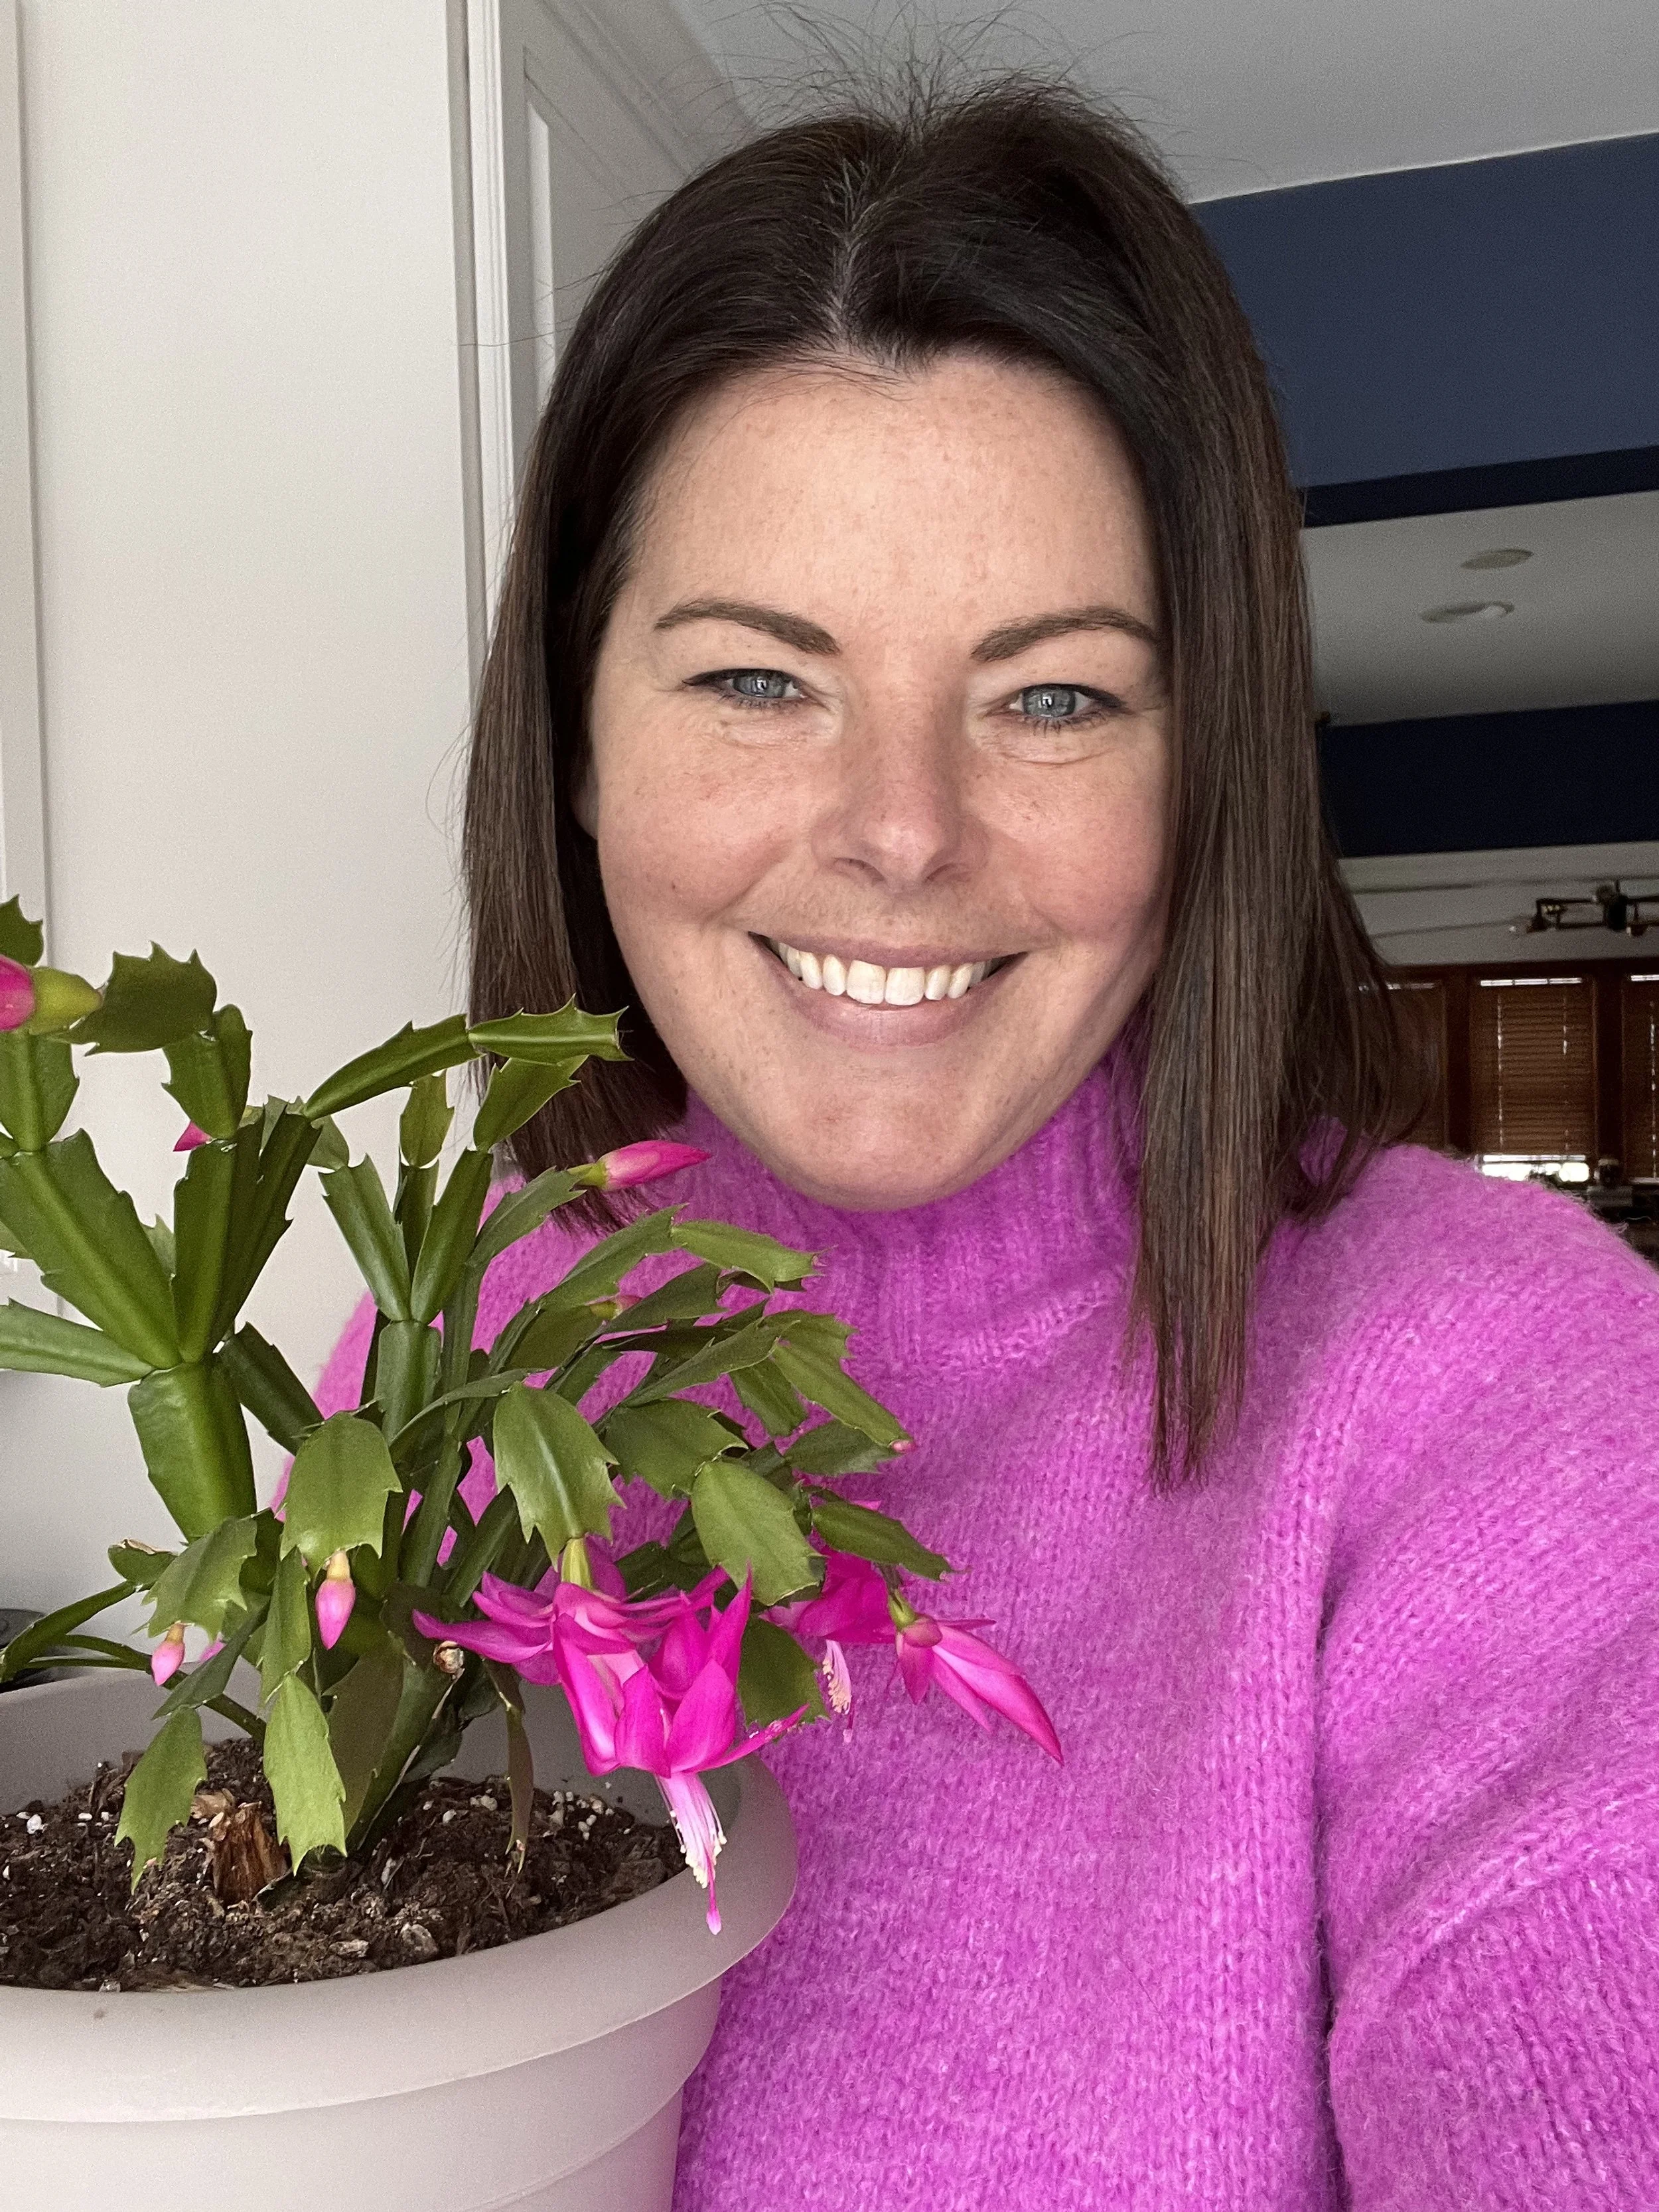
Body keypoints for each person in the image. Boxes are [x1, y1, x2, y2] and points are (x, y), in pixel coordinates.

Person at [323, 76, 1659, 2209]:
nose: (903, 828)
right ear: (576, 747)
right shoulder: (440, 1358)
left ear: (1201, 760)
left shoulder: (1507, 1386)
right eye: (760, 681)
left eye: (1050, 698)